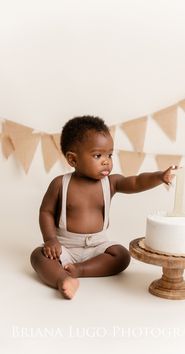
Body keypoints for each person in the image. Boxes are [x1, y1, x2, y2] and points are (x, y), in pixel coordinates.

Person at [30, 116, 177, 299]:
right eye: (98, 155)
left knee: (122, 256)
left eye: (110, 155)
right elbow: (46, 212)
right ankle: (63, 280)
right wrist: (51, 239)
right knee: (38, 256)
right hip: (65, 245)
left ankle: (80, 270)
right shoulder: (60, 184)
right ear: (72, 159)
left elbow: (137, 181)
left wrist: (159, 176)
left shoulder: (111, 183)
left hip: (97, 246)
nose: (106, 161)